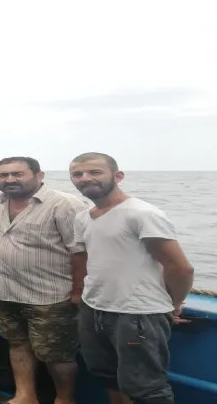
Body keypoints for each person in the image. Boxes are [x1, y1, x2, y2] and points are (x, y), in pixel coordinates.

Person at [69, 152, 194, 404]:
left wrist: (175, 303)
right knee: (105, 375)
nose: (85, 178)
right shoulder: (83, 217)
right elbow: (86, 258)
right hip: (94, 308)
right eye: (77, 174)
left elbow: (180, 268)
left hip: (137, 314)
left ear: (118, 176)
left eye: (95, 172)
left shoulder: (141, 213)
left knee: (146, 388)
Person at [0, 157, 88, 404]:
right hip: (6, 290)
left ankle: (65, 400)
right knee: (16, 343)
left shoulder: (64, 204)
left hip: (51, 296)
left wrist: (78, 291)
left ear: (39, 175)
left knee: (57, 355)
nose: (9, 179)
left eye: (17, 174)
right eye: (3, 175)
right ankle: (25, 396)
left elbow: (81, 251)